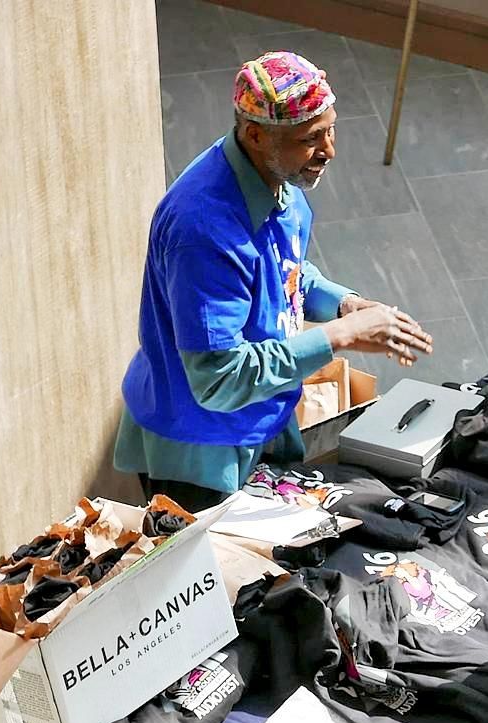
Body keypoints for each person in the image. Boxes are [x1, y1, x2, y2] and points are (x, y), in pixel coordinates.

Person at [115, 51, 433, 511]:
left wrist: (343, 305)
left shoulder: (276, 176)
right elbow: (218, 379)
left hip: (265, 417)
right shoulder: (203, 230)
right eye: (311, 139)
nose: (329, 151)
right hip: (204, 454)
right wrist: (338, 336)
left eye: (331, 130)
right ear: (255, 134)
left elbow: (282, 269)